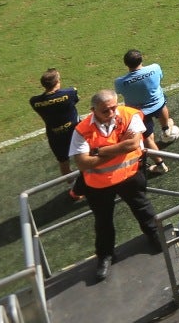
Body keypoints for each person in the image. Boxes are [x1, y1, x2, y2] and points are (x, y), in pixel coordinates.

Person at [69, 89, 161, 282]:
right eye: (105, 110)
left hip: (129, 176)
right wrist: (120, 147)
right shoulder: (82, 129)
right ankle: (105, 256)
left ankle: (155, 236)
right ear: (93, 110)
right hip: (99, 184)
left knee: (143, 208)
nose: (111, 112)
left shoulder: (128, 114)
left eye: (113, 107)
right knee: (103, 222)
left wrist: (98, 151)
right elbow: (83, 163)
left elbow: (133, 144)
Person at [116, 48, 177, 154]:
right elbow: (159, 79)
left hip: (139, 113)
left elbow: (119, 92)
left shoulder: (120, 82)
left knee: (148, 139)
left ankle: (160, 164)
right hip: (158, 104)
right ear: (141, 59)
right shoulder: (155, 68)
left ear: (126, 64)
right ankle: (166, 128)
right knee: (161, 99)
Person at [31, 68, 81, 179]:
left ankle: (71, 185)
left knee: (63, 161)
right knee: (83, 154)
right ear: (57, 82)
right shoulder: (70, 93)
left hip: (55, 135)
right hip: (75, 131)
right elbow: (75, 99)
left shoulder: (34, 101)